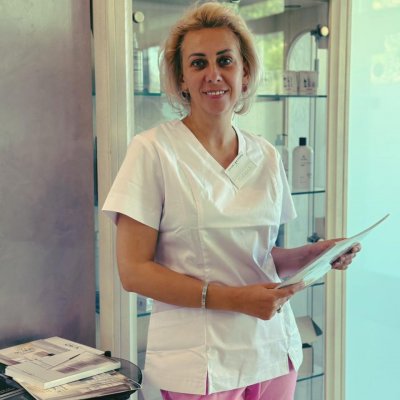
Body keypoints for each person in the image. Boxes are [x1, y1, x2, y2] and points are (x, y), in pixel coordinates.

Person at [103, 2, 360, 399]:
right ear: (181, 78)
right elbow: (134, 272)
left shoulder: (265, 155)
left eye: (225, 60)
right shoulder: (153, 150)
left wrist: (314, 254)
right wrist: (234, 299)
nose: (213, 74)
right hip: (200, 362)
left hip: (272, 349)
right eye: (198, 63)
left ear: (245, 73)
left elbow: (260, 257)